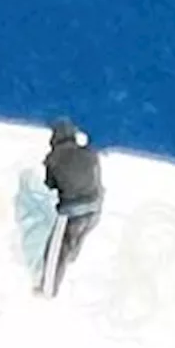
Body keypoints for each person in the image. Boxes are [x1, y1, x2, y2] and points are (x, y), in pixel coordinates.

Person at [40, 117, 104, 297]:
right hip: (94, 209)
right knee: (75, 245)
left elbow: (49, 185)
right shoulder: (91, 154)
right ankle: (71, 260)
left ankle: (48, 291)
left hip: (71, 213)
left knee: (56, 252)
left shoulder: (52, 159)